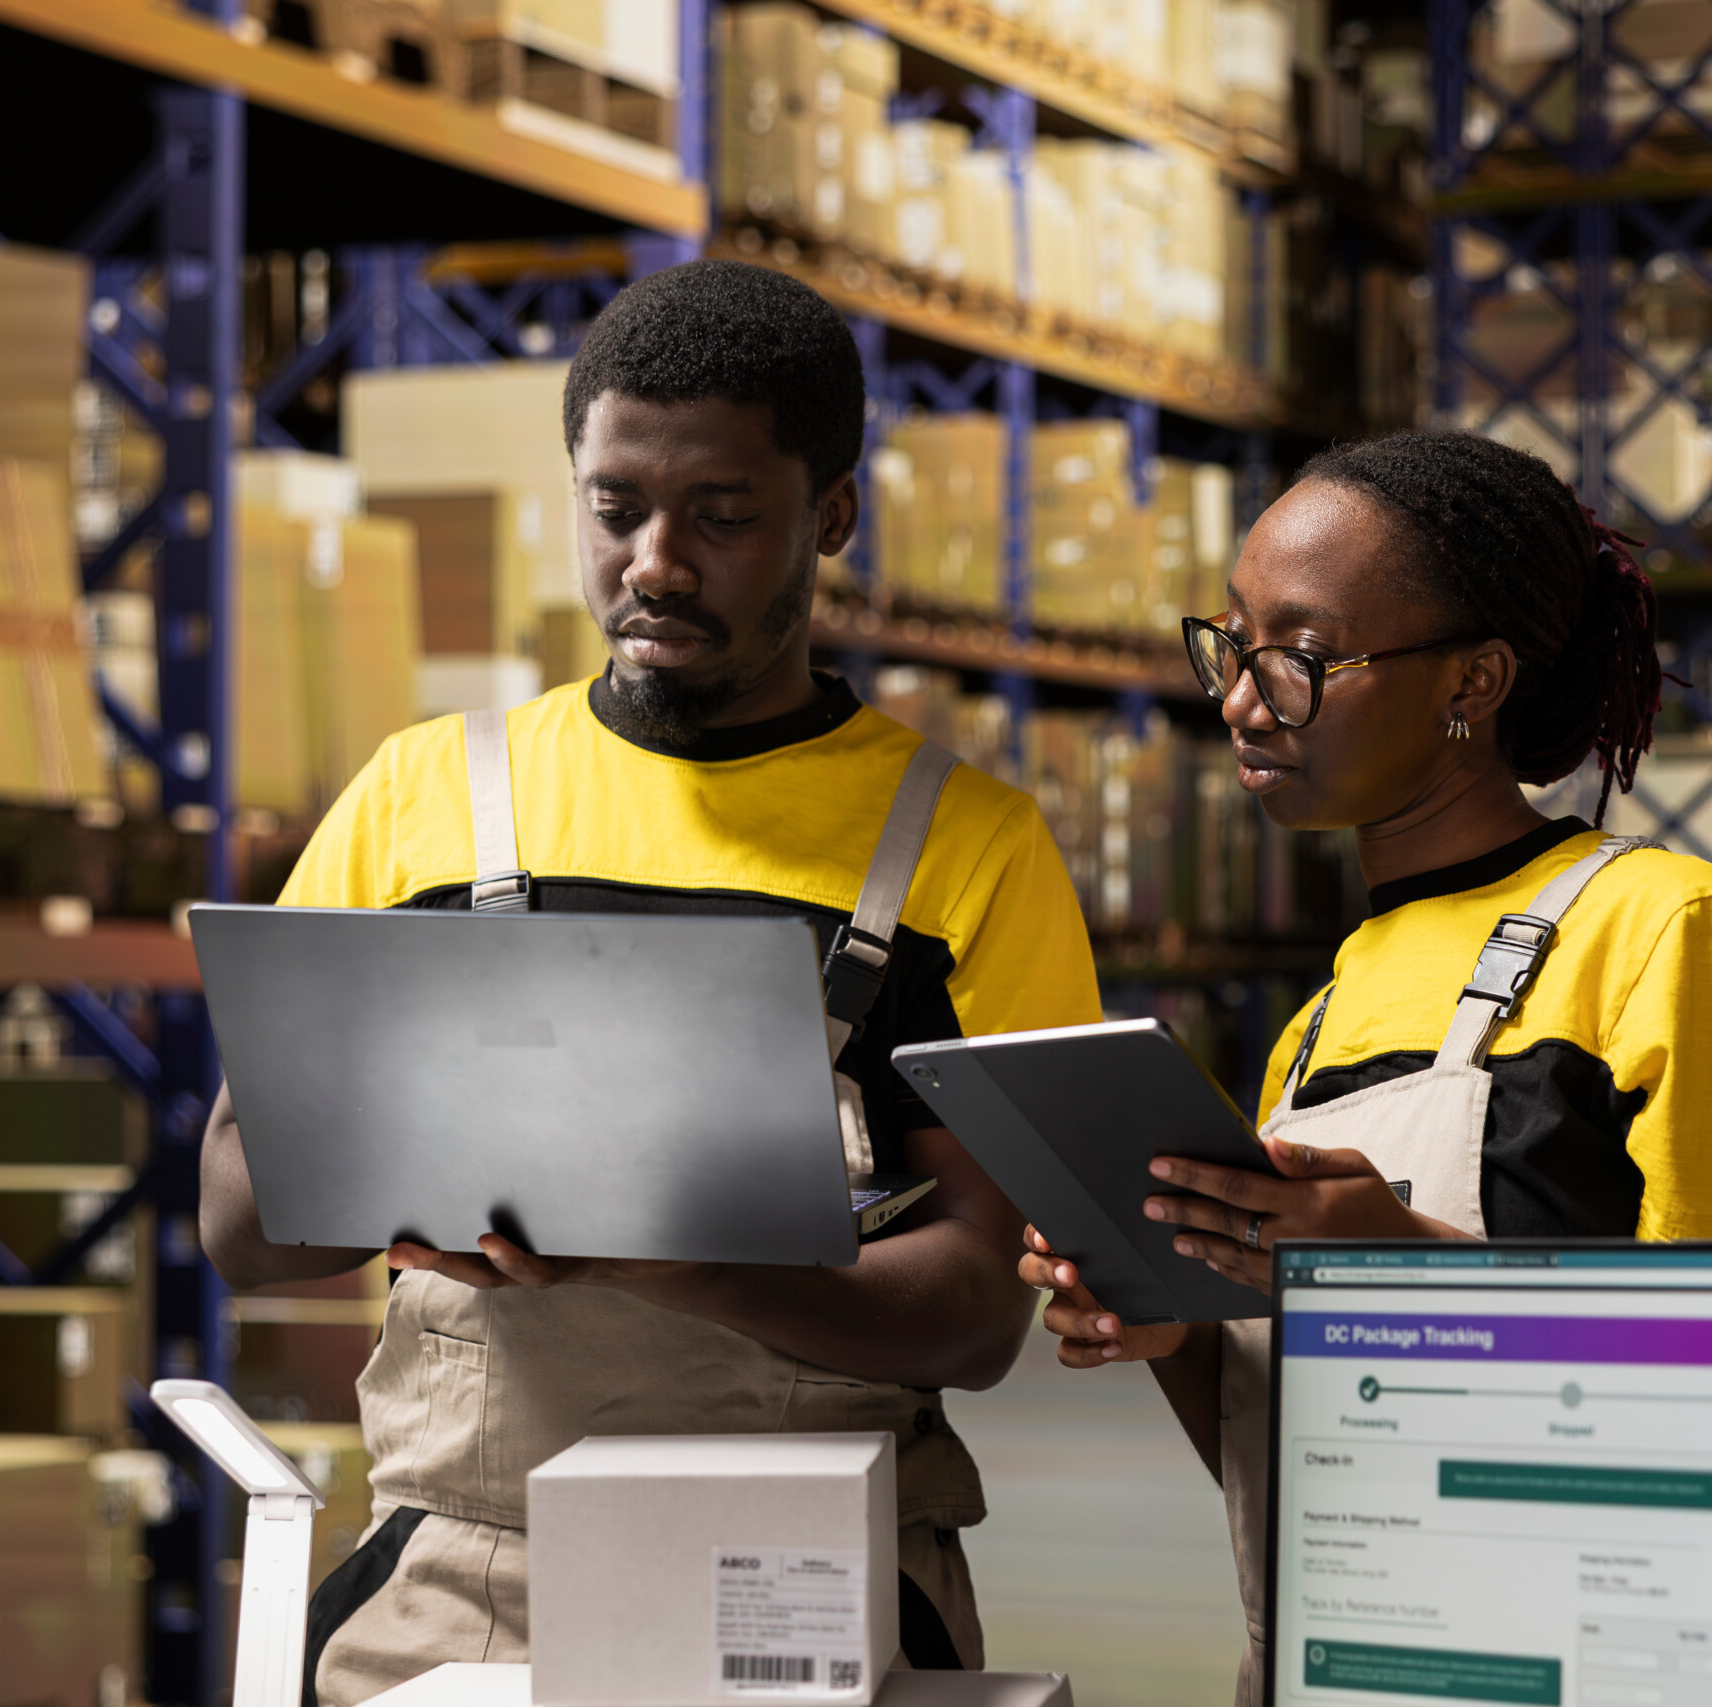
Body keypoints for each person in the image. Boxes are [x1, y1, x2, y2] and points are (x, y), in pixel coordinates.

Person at [199, 260, 1104, 1702]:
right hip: (460, 1579)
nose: (657, 563)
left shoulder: (967, 848)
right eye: (614, 508)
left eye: (723, 517)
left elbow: (977, 1311)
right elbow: (240, 1221)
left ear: (830, 516)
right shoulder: (422, 800)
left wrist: (651, 1252)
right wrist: (431, 1174)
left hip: (812, 1572)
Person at [1016, 428, 1712, 1704]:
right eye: (1231, 643)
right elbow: (1295, 1471)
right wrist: (1172, 1320)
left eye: (1298, 657)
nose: (1239, 700)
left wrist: (1403, 1273)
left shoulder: (1671, 934)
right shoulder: (1321, 1021)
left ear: (1474, 679)